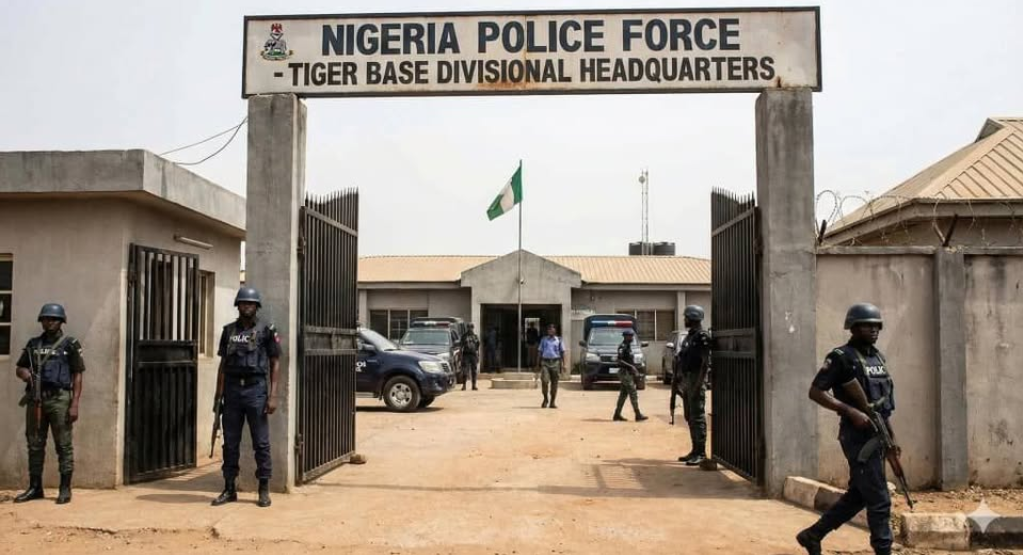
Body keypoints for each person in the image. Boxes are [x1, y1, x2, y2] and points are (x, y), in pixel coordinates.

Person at [797, 303, 897, 555]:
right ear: (852, 327)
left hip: (877, 433)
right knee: (879, 498)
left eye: (877, 326)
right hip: (856, 437)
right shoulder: (841, 357)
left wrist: (891, 439)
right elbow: (816, 391)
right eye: (866, 325)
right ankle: (883, 550)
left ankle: (812, 535)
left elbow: (882, 407)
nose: (873, 330)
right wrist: (850, 411)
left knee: (859, 495)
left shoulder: (878, 358)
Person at [212, 287, 281, 508]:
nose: (246, 306)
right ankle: (229, 488)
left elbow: (275, 362)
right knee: (230, 443)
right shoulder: (228, 331)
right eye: (243, 303)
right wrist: (218, 396)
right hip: (232, 391)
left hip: (256, 390)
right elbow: (223, 365)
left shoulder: (267, 330)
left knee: (261, 443)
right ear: (238, 305)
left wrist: (273, 395)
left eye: (250, 303)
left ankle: (263, 489)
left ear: (256, 306)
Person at [13, 303, 84, 505]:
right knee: (35, 444)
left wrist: (75, 403)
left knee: (63, 444)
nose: (49, 322)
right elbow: (20, 367)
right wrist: (26, 375)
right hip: (36, 399)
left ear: (61, 321)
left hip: (60, 399)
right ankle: (35, 487)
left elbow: (77, 374)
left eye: (53, 319)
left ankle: (65, 488)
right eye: (45, 319)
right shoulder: (33, 344)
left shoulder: (70, 344)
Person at [674, 305, 711, 466]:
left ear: (693, 318)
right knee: (689, 416)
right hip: (688, 379)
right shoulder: (690, 336)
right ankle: (695, 450)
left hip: (697, 379)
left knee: (698, 417)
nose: (685, 320)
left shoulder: (702, 336)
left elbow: (705, 363)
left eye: (686, 317)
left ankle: (701, 453)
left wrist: (698, 385)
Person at [612, 329, 648, 422]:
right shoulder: (622, 347)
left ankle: (617, 414)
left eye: (632, 336)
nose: (631, 338)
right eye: (630, 336)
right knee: (633, 392)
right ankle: (637, 414)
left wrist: (634, 370)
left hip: (628, 373)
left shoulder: (628, 347)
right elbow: (619, 360)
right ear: (625, 337)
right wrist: (631, 367)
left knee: (623, 394)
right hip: (624, 373)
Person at [536, 324, 564, 409]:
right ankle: (545, 399)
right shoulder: (544, 340)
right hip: (545, 363)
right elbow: (540, 352)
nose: (550, 331)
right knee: (544, 381)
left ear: (555, 330)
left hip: (555, 362)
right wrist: (537, 364)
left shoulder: (559, 340)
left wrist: (564, 364)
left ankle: (552, 402)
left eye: (552, 329)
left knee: (554, 383)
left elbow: (562, 352)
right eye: (549, 329)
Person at [460, 323, 481, 391]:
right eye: (469, 327)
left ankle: (474, 385)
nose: (470, 328)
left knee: (474, 371)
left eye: (471, 327)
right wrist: (460, 356)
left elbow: (477, 347)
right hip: (466, 355)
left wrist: (478, 355)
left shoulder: (475, 336)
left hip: (473, 355)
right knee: (465, 371)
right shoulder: (464, 336)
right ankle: (464, 385)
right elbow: (461, 346)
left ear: (473, 328)